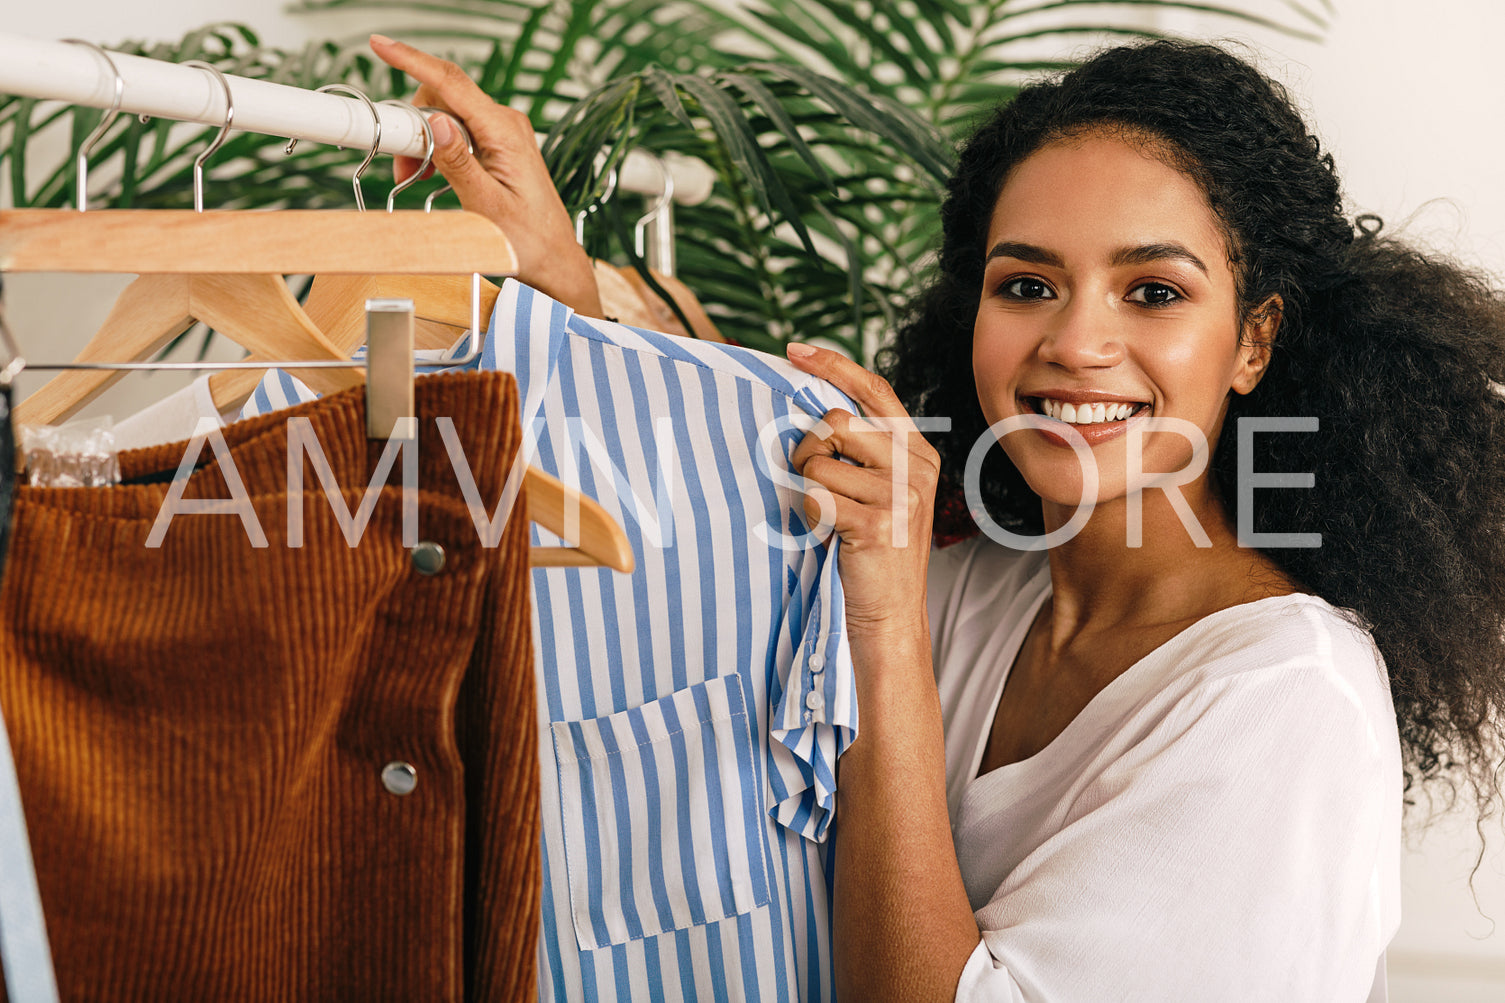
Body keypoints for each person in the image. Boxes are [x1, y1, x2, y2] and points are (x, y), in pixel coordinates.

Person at [368, 33, 1505, 1002]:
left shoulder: (1281, 694)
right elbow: (703, 526)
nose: (1074, 341)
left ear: (1252, 340)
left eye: (1150, 291)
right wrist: (563, 296)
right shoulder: (971, 581)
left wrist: (881, 627)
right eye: (1025, 284)